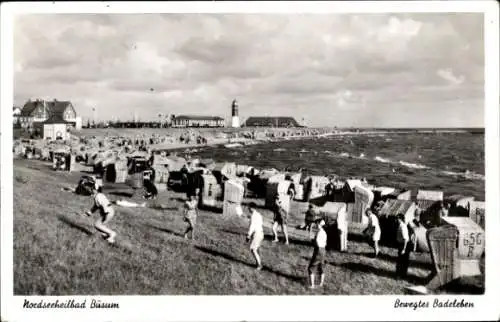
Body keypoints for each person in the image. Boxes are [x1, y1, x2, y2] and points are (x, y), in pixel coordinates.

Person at [308, 218, 327, 289]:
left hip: (318, 250)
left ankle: (312, 285)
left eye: (317, 224)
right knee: (321, 267)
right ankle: (321, 284)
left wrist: (312, 240)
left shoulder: (319, 233)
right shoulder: (324, 233)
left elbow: (317, 243)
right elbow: (325, 243)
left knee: (311, 268)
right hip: (323, 250)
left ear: (319, 225)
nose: (316, 225)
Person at [247, 202, 264, 270]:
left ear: (252, 208)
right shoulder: (258, 214)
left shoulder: (253, 216)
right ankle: (258, 263)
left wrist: (248, 235)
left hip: (257, 234)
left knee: (253, 249)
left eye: (249, 207)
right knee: (256, 249)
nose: (248, 209)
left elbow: (252, 226)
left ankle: (259, 265)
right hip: (261, 233)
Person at [396, 213, 411, 278]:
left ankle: (401, 275)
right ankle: (400, 274)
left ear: (400, 219)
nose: (396, 220)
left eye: (397, 218)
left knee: (402, 261)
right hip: (401, 244)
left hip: (404, 245)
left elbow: (405, 239)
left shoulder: (403, 227)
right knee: (401, 260)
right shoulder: (400, 225)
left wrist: (404, 249)